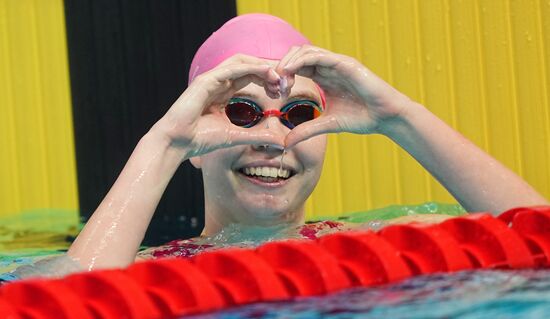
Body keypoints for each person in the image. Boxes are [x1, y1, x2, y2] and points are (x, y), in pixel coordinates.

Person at [43, 13, 549, 273]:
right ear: (193, 141)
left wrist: (399, 118)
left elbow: (540, 240)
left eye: (299, 113)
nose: (272, 137)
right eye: (241, 113)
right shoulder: (152, 271)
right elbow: (64, 303)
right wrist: (165, 143)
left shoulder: (381, 242)